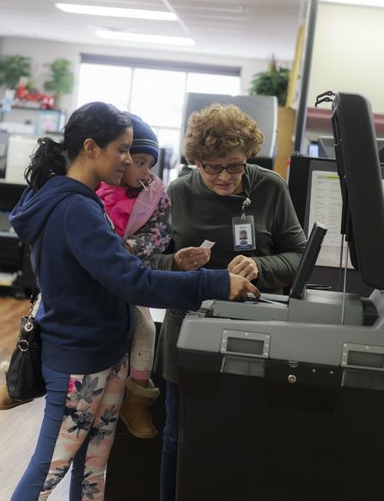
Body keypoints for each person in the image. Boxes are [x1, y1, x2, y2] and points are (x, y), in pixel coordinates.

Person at [7, 101, 259, 501]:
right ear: (90, 148)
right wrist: (213, 283)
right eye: (121, 150)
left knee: (93, 469)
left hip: (105, 354)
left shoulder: (81, 200)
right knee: (48, 470)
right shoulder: (75, 209)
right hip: (79, 359)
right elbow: (132, 280)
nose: (128, 160)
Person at [150, 103, 308, 501]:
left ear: (248, 157)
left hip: (254, 331)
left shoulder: (270, 187)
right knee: (178, 437)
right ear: (196, 161)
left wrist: (259, 265)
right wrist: (175, 261)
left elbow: (300, 256)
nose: (224, 176)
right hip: (187, 329)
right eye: (211, 166)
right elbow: (147, 262)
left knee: (245, 438)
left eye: (234, 166)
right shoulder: (176, 193)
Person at [95, 113, 168, 439]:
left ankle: (137, 398)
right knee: (43, 307)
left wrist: (127, 248)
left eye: (149, 163)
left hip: (128, 276)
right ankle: (17, 374)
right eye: (139, 161)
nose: (145, 169)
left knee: (146, 329)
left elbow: (160, 236)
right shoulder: (95, 188)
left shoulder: (156, 195)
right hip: (90, 275)